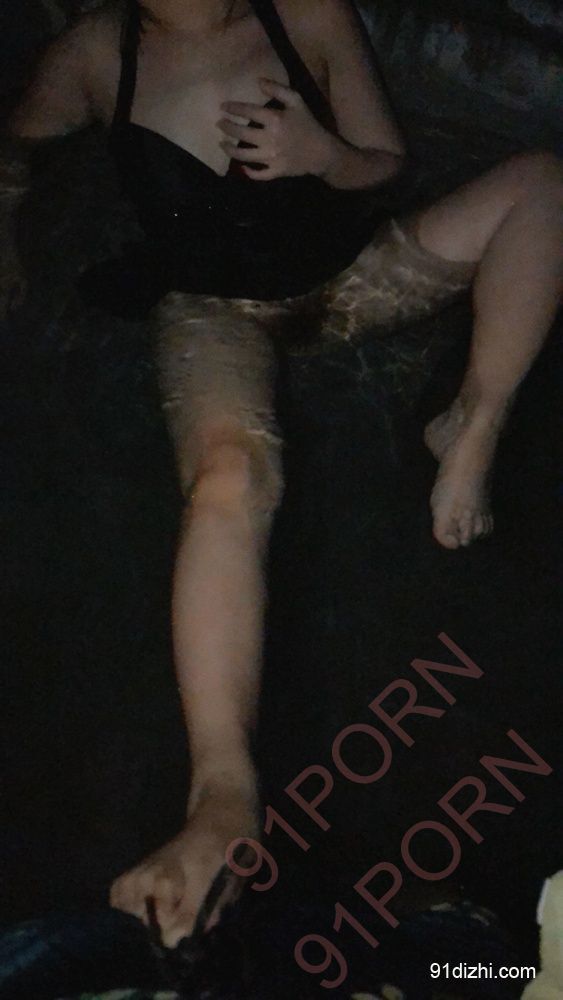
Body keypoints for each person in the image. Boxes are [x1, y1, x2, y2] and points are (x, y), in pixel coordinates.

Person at [3, 0, 562, 949]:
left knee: (541, 180)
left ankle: (474, 418)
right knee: (230, 471)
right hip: (213, 307)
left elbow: (386, 164)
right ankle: (222, 790)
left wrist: (324, 157)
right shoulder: (96, 53)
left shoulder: (308, 11)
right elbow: (15, 148)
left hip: (347, 277)